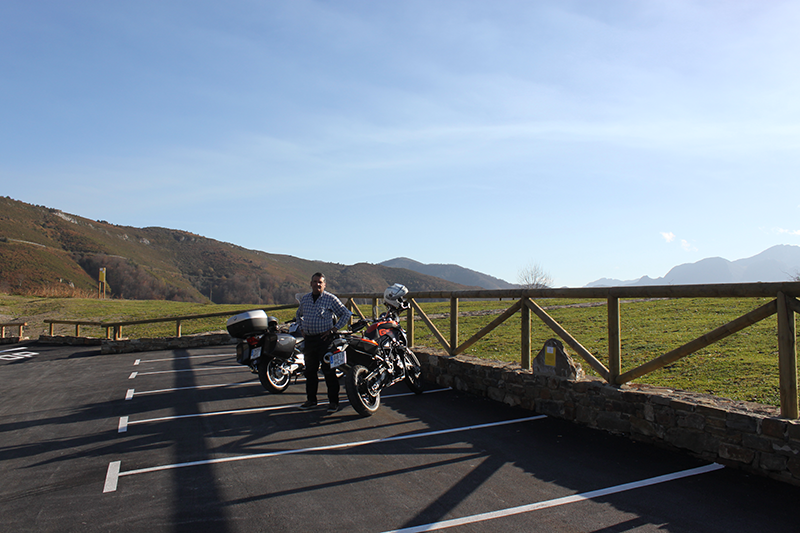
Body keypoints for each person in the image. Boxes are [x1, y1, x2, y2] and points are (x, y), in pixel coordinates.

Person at [295, 272, 352, 413]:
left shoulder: (330, 299)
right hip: (309, 340)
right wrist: (301, 328)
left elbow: (346, 313)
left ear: (324, 284)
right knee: (310, 372)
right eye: (315, 281)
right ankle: (311, 400)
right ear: (311, 283)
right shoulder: (305, 299)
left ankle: (333, 402)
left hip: (325, 340)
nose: (317, 284)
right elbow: (298, 314)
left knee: (329, 372)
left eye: (320, 282)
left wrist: (334, 329)